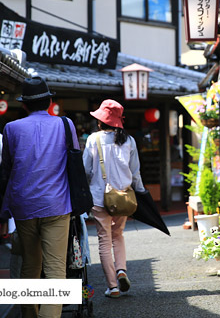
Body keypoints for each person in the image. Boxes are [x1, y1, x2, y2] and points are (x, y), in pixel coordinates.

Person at [0, 77, 79, 318]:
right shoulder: (65, 125)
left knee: (30, 265)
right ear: (50, 102)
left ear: (24, 105)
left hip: (23, 206)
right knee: (56, 271)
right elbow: (74, 161)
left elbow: (8, 167)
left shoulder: (11, 128)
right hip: (56, 204)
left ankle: (29, 315)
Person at [83, 99, 145, 299]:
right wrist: (141, 192)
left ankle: (113, 287)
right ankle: (121, 271)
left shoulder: (94, 139)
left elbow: (86, 169)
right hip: (123, 197)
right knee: (118, 235)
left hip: (100, 197)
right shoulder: (129, 140)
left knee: (104, 240)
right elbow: (135, 172)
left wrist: (83, 190)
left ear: (101, 121)